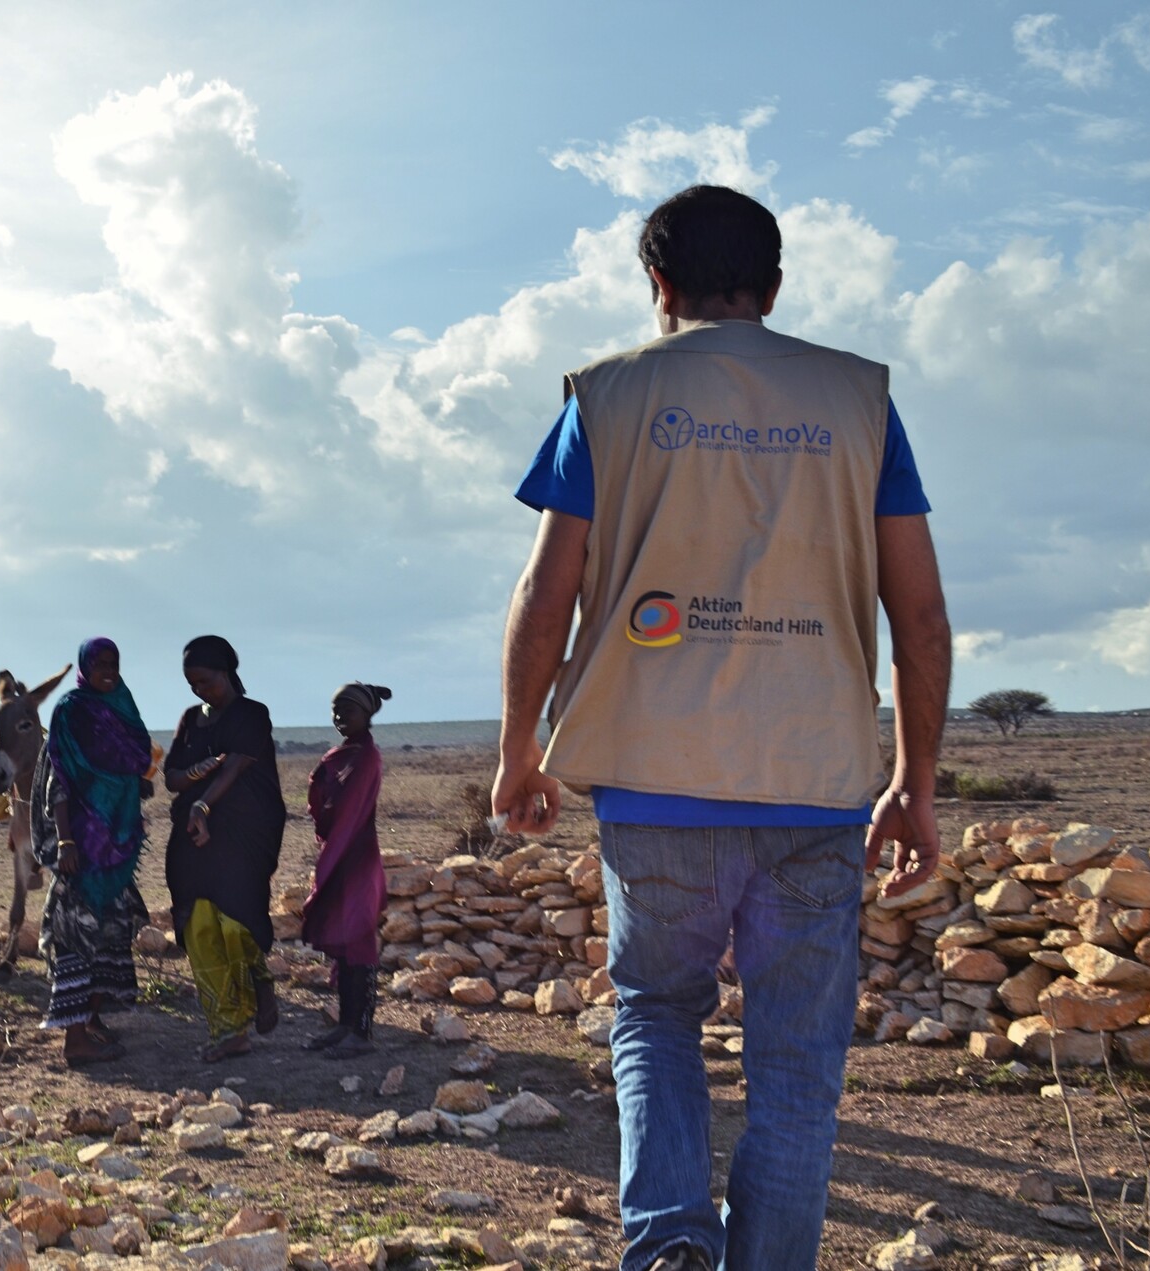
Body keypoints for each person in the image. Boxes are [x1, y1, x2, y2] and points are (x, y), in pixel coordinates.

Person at [492, 185, 952, 1271]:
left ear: (655, 285)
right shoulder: (859, 399)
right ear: (773, 288)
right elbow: (918, 614)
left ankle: (666, 1244)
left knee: (654, 1011)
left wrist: (518, 747)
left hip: (655, 780)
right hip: (817, 781)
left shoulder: (603, 397)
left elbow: (544, 589)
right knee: (796, 1069)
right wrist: (914, 782)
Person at [30, 638, 157, 1066]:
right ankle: (75, 1041)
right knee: (76, 936)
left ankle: (92, 1021)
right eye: (99, 663)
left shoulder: (122, 705)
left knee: (112, 932)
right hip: (82, 849)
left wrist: (132, 786)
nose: (108, 669)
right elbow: (59, 781)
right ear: (86, 666)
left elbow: (136, 763)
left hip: (116, 847)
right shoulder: (71, 710)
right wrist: (66, 840)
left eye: (114, 662)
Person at [164, 635, 287, 1061]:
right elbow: (172, 778)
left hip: (243, 832)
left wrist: (202, 801)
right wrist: (196, 775)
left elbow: (236, 765)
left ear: (227, 671)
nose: (199, 690)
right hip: (193, 840)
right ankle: (229, 1031)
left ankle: (258, 981)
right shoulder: (189, 719)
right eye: (191, 683)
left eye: (205, 680)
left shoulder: (252, 714)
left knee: (237, 920)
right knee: (199, 926)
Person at [300, 681, 392, 1058]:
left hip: (355, 857)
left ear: (367, 715)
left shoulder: (366, 758)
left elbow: (350, 813)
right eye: (335, 711)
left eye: (347, 711)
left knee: (359, 941)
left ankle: (362, 1032)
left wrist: (329, 860)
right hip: (340, 854)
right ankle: (345, 1026)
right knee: (345, 943)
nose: (339, 718)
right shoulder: (341, 755)